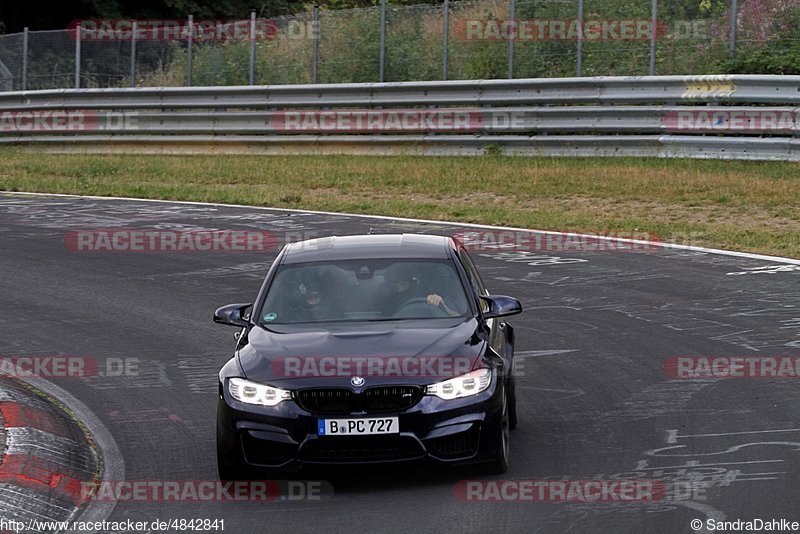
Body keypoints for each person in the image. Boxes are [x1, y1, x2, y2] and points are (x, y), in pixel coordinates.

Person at [382, 268, 462, 317]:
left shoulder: (428, 296)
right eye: (395, 286)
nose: (399, 289)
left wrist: (443, 306)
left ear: (411, 283)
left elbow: (461, 319)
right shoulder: (383, 301)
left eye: (403, 284)